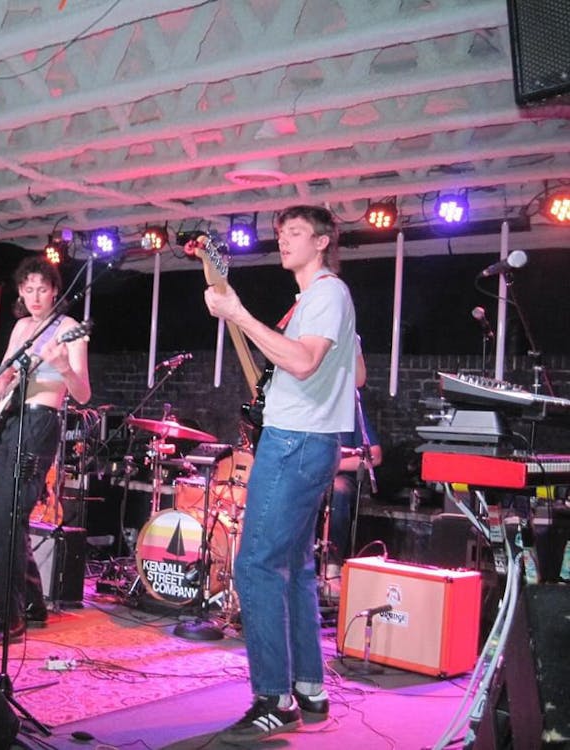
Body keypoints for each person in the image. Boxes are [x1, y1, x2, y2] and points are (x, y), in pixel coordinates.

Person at [198, 205, 356, 743]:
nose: (283, 240)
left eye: (295, 233)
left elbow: (306, 362)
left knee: (256, 567)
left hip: (295, 443)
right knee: (293, 569)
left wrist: (238, 315)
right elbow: (351, 370)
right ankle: (309, 688)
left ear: (322, 242)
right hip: (310, 441)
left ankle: (274, 699)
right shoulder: (317, 301)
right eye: (281, 232)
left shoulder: (328, 293)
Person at [0, 256, 91, 647]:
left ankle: (9, 616)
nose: (36, 296)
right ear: (20, 292)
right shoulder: (21, 327)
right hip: (11, 419)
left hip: (40, 421)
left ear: (55, 290)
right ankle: (33, 604)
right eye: (28, 288)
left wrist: (63, 368)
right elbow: (0, 380)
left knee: (10, 514)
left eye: (43, 288)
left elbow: (84, 393)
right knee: (5, 513)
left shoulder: (69, 329)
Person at [321, 390, 382, 594]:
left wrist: (332, 464)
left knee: (338, 490)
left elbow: (375, 456)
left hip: (338, 474)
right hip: (306, 475)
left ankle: (332, 567)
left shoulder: (350, 406)